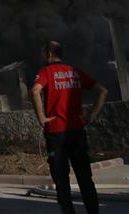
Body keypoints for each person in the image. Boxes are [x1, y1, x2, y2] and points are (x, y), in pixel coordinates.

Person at [31, 41, 108, 214]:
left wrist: (41, 118)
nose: (41, 56)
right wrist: (92, 115)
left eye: (42, 53)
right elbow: (102, 91)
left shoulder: (46, 72)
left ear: (49, 54)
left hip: (56, 133)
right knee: (85, 179)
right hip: (77, 132)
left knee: (61, 181)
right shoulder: (75, 72)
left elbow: (35, 91)